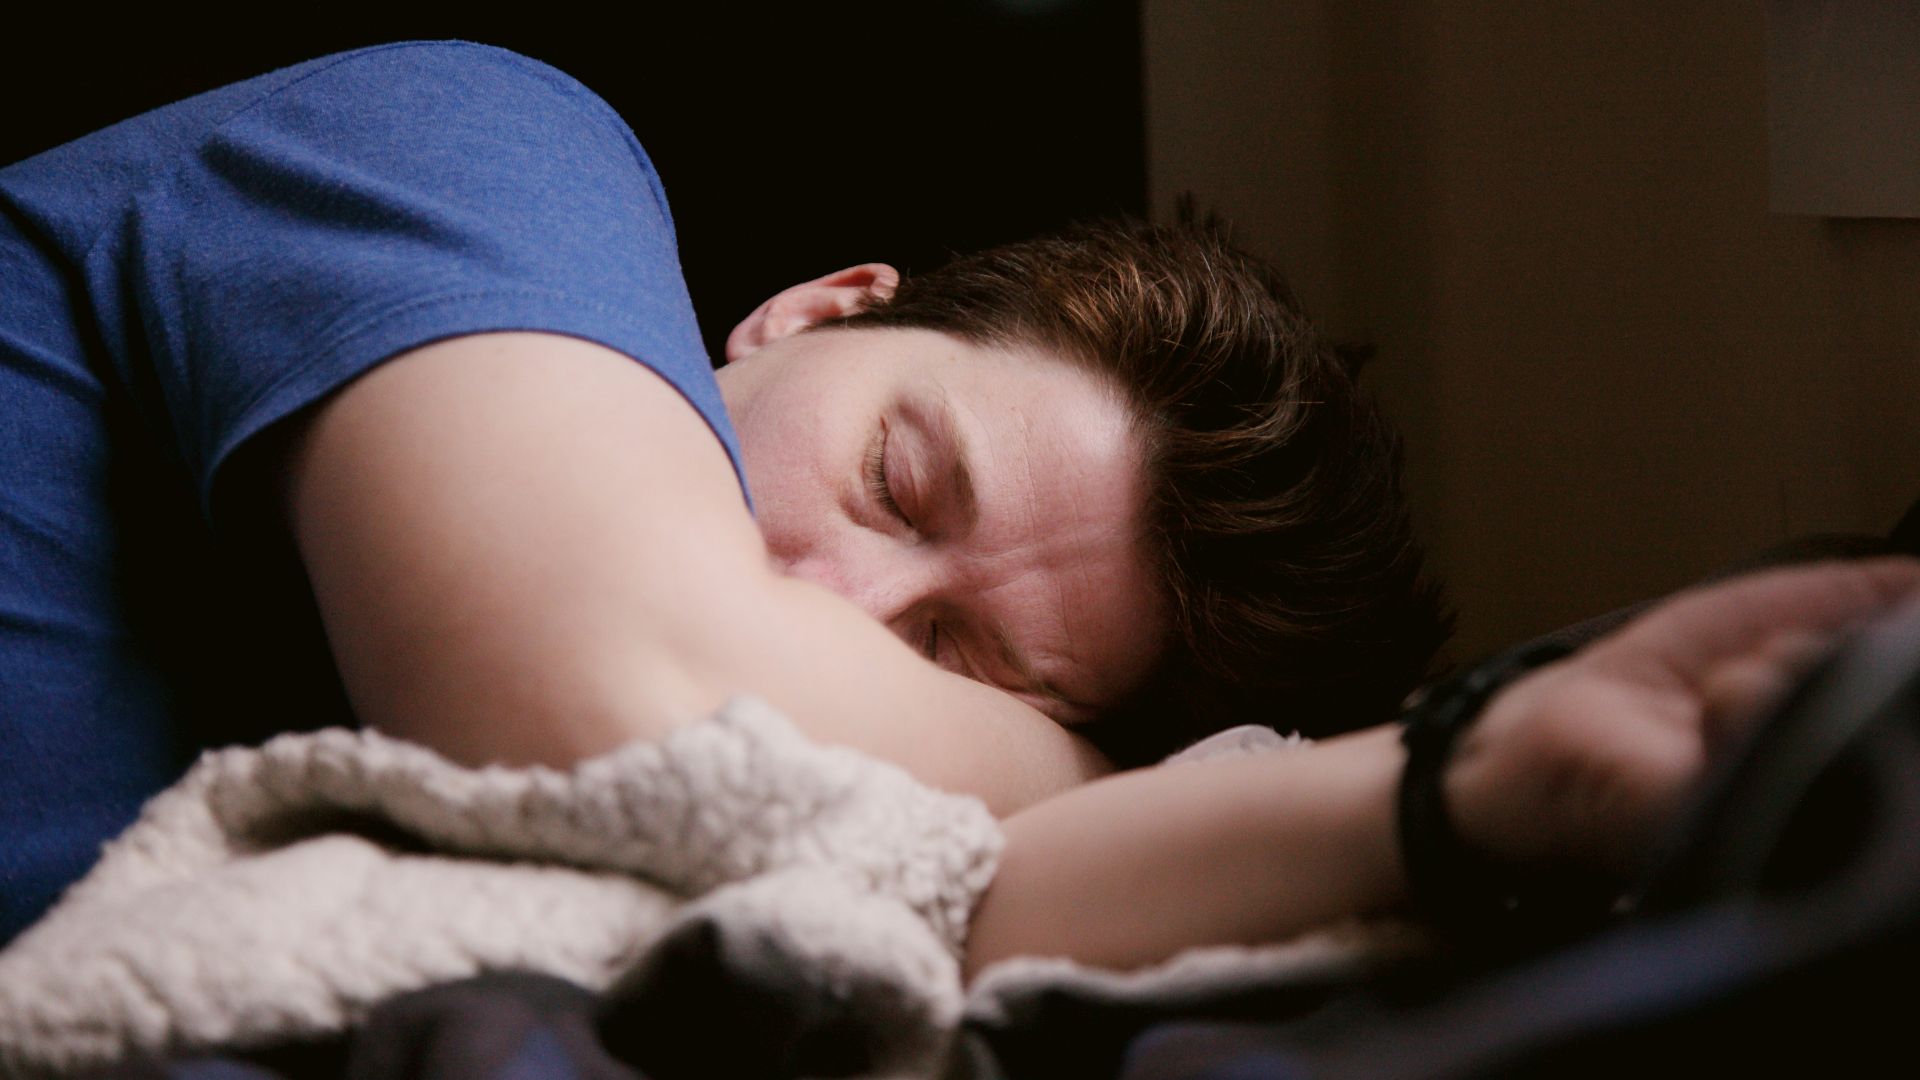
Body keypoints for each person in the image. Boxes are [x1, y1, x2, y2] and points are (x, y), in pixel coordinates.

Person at [2, 41, 1914, 979]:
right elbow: (640, 714)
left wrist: (1493, 781)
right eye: (896, 479)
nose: (824, 603)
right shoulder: (480, 142)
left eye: (956, 662)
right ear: (820, 307)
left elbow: (906, 872)